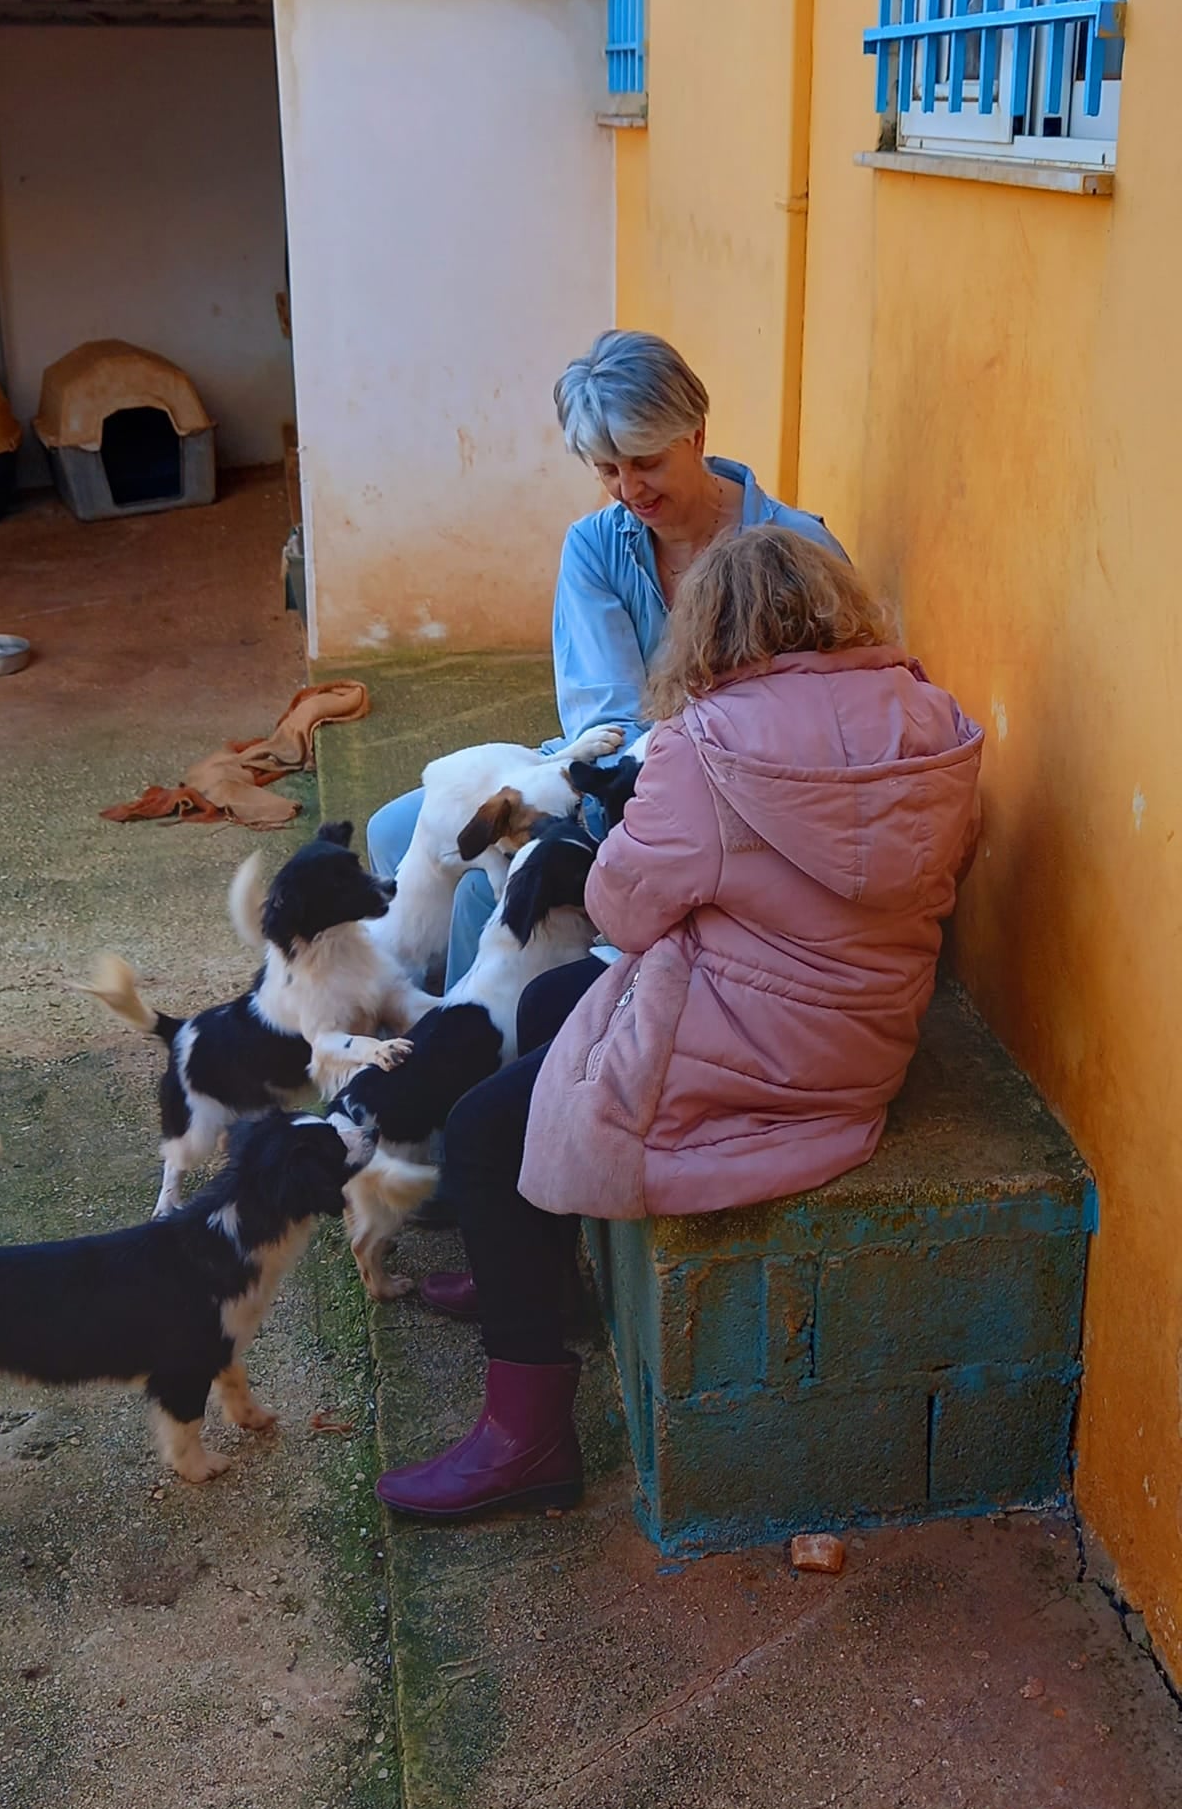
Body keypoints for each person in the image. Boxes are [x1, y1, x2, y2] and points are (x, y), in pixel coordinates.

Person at [375, 526, 984, 1521]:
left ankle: (526, 1438)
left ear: (707, 628)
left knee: (484, 1128)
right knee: (548, 1005)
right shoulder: (928, 714)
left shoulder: (707, 747)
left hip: (755, 1046)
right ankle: (530, 1267)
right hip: (864, 1036)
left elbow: (620, 911)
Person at [366, 330, 848, 992]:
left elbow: (832, 717)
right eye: (606, 469)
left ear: (696, 434)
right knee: (394, 832)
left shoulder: (797, 547)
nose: (629, 489)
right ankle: (417, 1015)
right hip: (611, 773)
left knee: (485, 888)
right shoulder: (595, 545)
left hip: (726, 802)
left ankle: (469, 1035)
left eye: (645, 461)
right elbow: (607, 719)